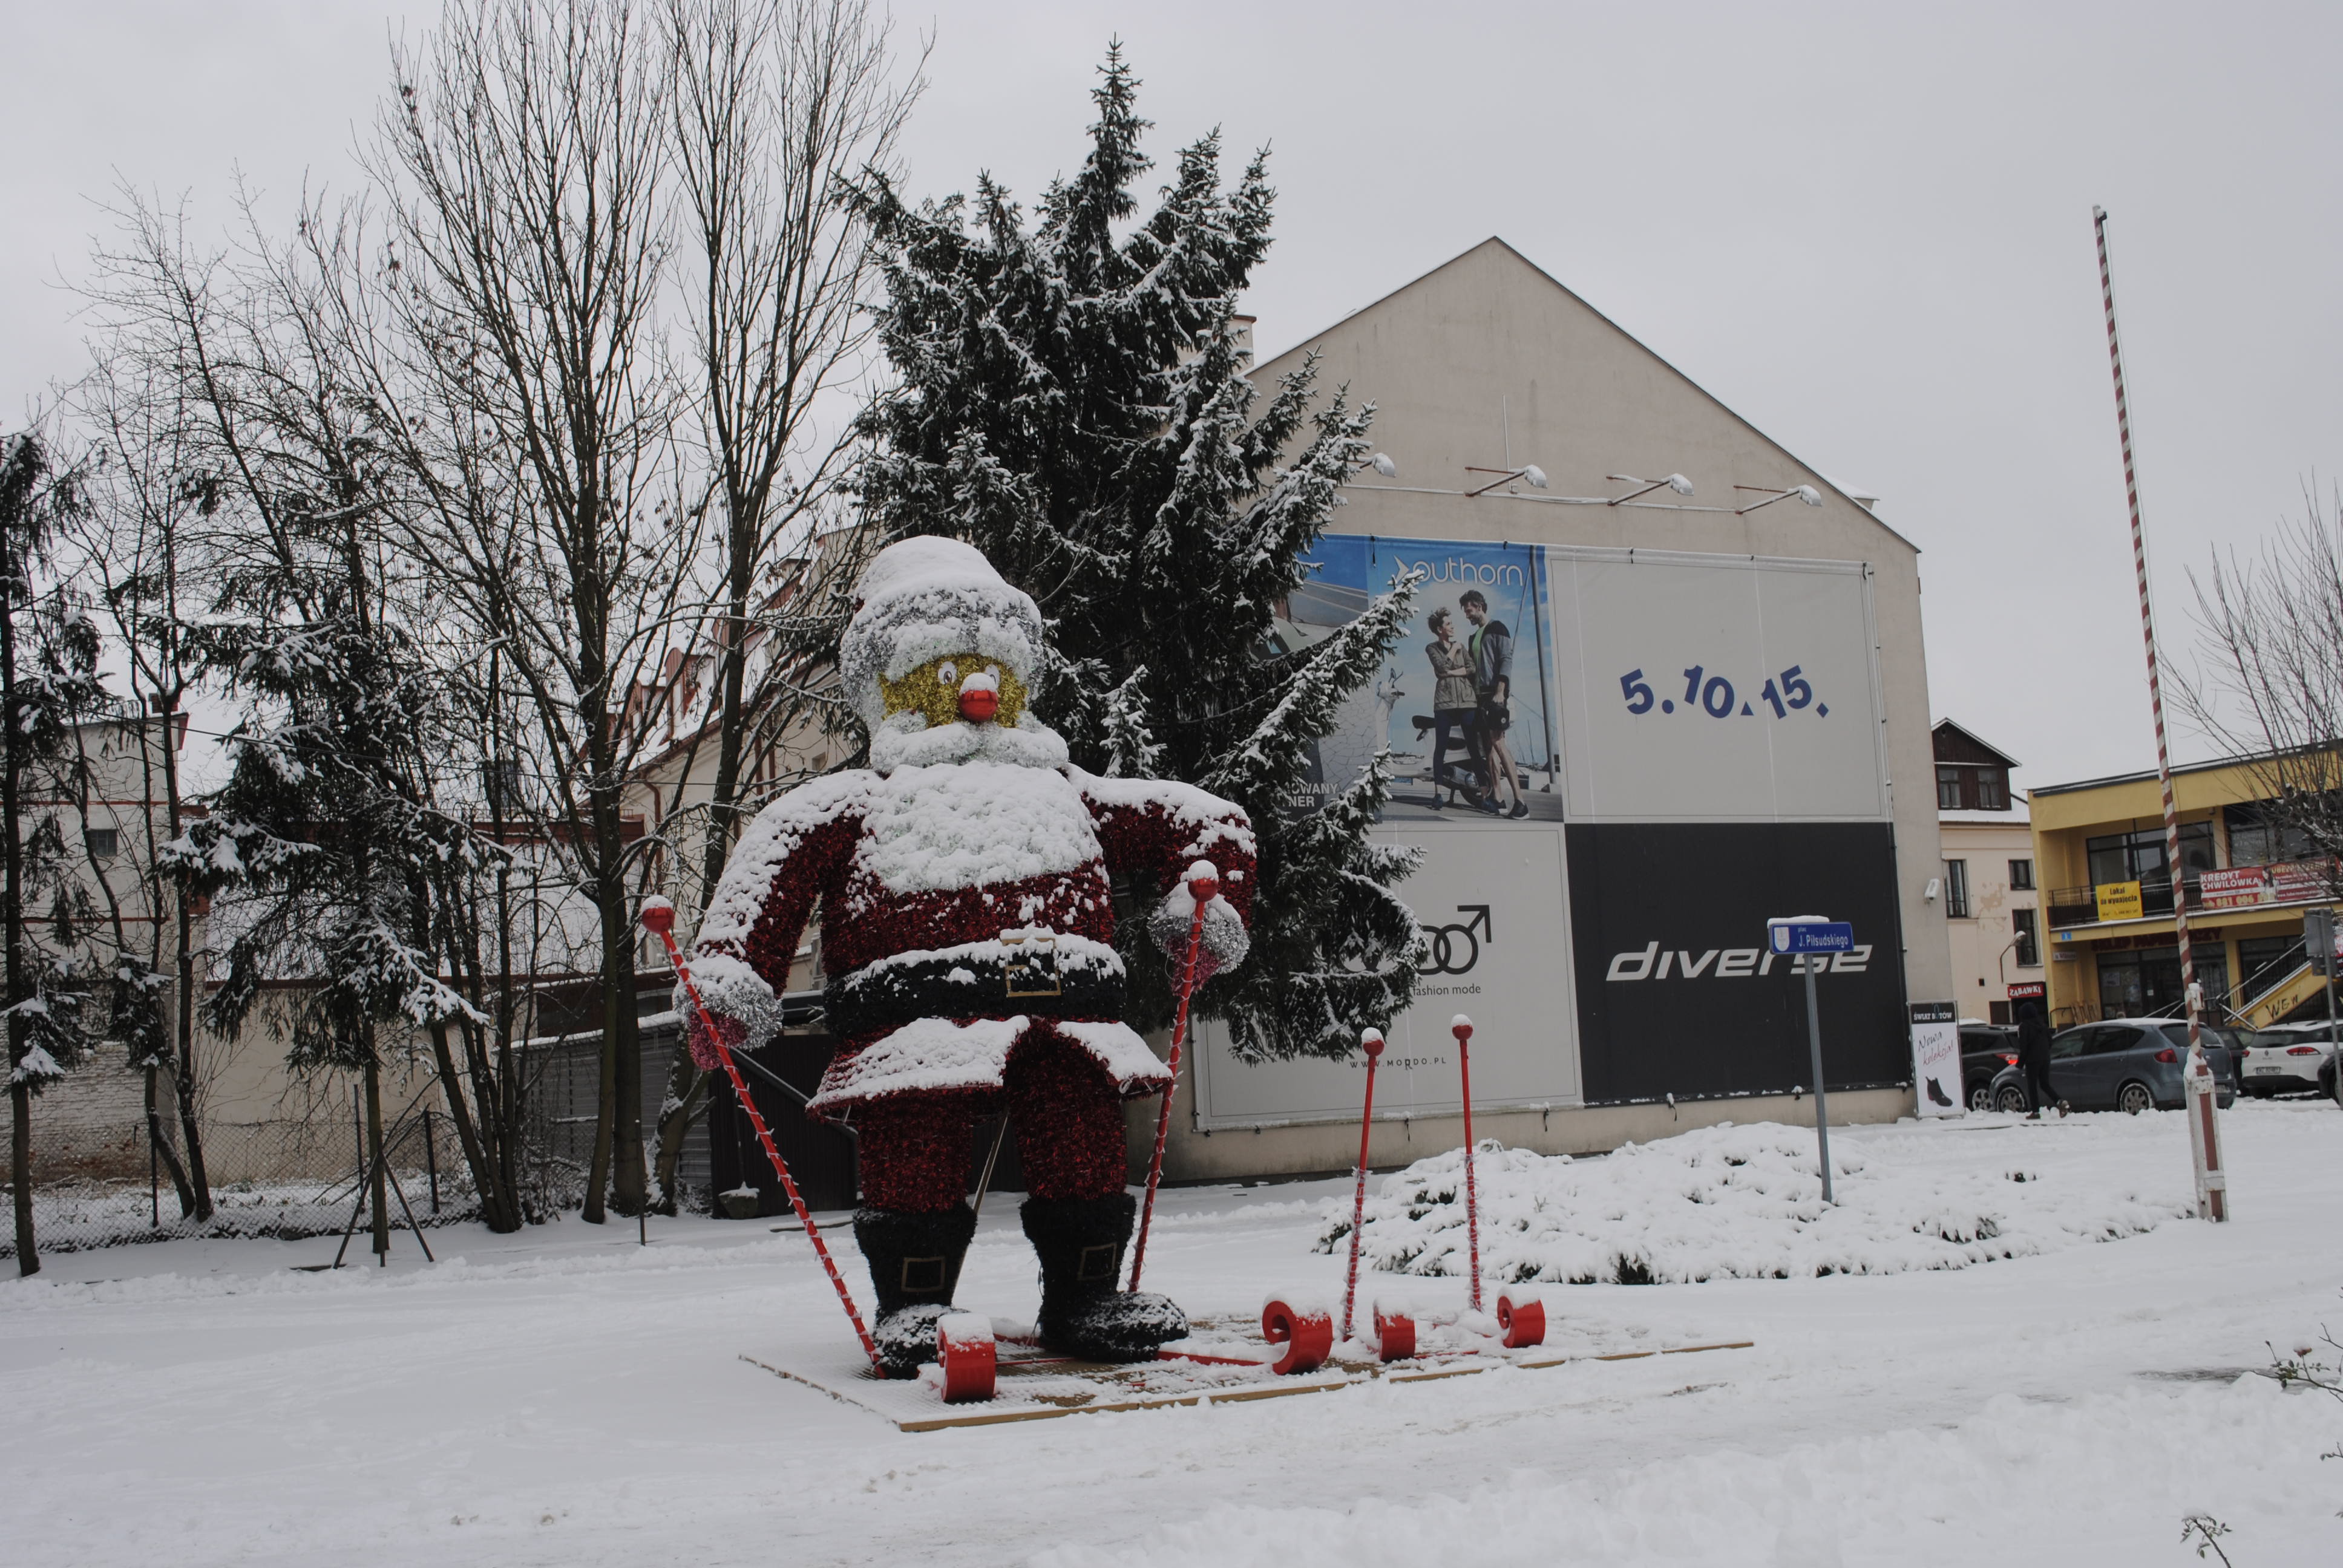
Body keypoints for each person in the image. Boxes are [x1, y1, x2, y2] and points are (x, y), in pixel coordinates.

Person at [684, 538, 1256, 1376]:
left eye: (994, 672)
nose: (979, 694)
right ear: (889, 687)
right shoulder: (860, 803)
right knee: (914, 1143)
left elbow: (1206, 821)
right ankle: (916, 1307)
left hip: (1072, 1018)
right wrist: (733, 975)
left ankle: (1087, 1294)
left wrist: (1207, 907)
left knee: (1081, 1136)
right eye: (943, 674)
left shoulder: (1069, 790)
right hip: (914, 1022)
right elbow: (776, 858)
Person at [1459, 588, 1527, 818]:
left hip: (1494, 695)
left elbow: (1506, 660)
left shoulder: (1497, 628)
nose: (1467, 615)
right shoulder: (1473, 637)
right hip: (1479, 697)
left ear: (1479, 606)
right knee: (1488, 748)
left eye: (1469, 610)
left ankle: (1521, 803)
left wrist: (1501, 691)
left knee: (1499, 743)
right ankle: (1498, 799)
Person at [1423, 606, 1483, 807]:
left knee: (1474, 749)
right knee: (1440, 748)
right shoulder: (1432, 648)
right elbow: (1441, 667)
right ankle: (1438, 794)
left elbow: (1472, 668)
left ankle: (1484, 795)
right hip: (1444, 703)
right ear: (1440, 629)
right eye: (1449, 624)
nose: (1452, 626)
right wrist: (1454, 651)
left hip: (1467, 701)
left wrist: (1450, 673)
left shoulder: (1461, 646)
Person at [2015, 1000, 2064, 1118]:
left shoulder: (2024, 1027)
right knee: (2044, 1084)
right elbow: (2050, 1042)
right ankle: (2060, 1102)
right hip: (2045, 1059)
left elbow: (2024, 1047)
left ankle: (2036, 1112)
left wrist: (2020, 1064)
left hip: (2032, 1061)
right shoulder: (2042, 1025)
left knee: (2032, 1086)